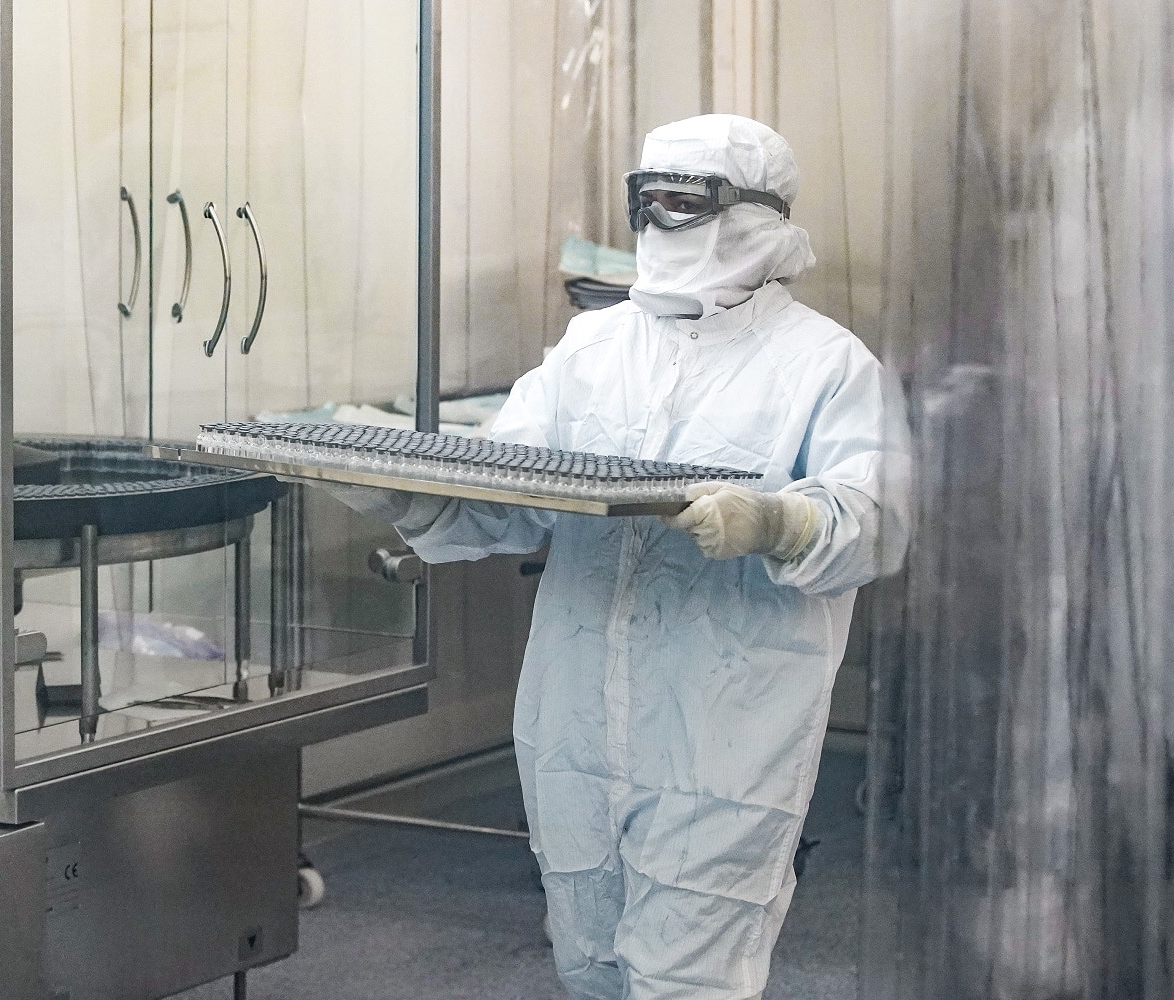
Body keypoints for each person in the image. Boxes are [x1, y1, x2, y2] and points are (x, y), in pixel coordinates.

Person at [331, 114, 910, 998]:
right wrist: (398, 485)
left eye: (688, 201)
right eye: (651, 199)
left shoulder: (826, 365)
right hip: (571, 722)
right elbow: (511, 500)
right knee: (588, 963)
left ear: (759, 217)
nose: (661, 219)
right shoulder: (593, 350)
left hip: (726, 732)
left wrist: (780, 523)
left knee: (688, 976)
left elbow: (876, 520)